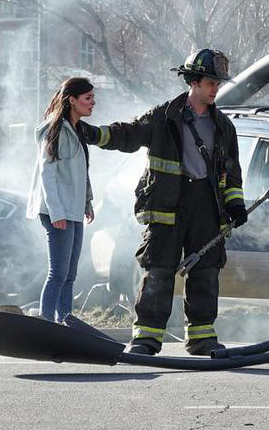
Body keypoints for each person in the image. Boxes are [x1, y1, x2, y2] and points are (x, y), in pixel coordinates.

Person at [79, 49, 247, 356]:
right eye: (211, 82)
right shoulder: (164, 116)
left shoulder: (225, 127)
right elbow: (128, 134)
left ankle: (201, 338)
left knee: (206, 271)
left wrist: (235, 204)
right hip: (168, 204)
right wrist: (93, 134)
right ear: (193, 82)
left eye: (218, 83)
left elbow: (232, 172)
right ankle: (146, 338)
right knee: (158, 269)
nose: (215, 88)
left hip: (207, 207)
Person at [26, 77, 96, 322]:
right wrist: (56, 212)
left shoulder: (77, 130)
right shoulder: (54, 130)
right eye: (87, 98)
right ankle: (46, 324)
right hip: (58, 212)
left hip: (74, 210)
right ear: (72, 100)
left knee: (70, 275)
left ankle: (65, 322)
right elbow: (48, 173)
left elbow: (80, 173)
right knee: (58, 273)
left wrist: (87, 203)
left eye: (92, 98)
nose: (92, 103)